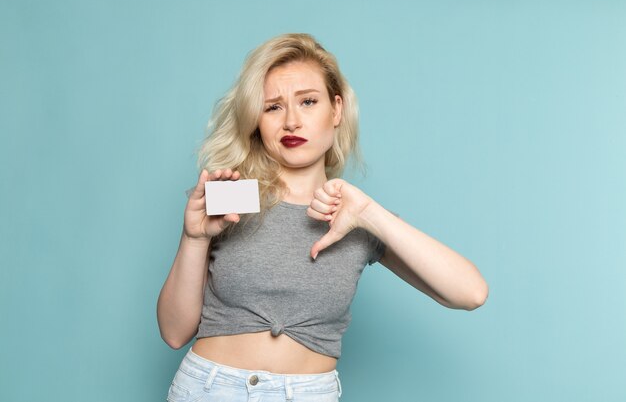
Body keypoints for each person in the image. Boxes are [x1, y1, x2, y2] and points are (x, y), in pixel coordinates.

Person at [157, 32, 488, 402]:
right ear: (257, 120)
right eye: (273, 107)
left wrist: (368, 213)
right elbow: (173, 332)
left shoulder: (356, 215)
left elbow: (471, 293)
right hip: (209, 389)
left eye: (308, 102)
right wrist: (195, 238)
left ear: (337, 110)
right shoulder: (232, 196)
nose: (292, 122)